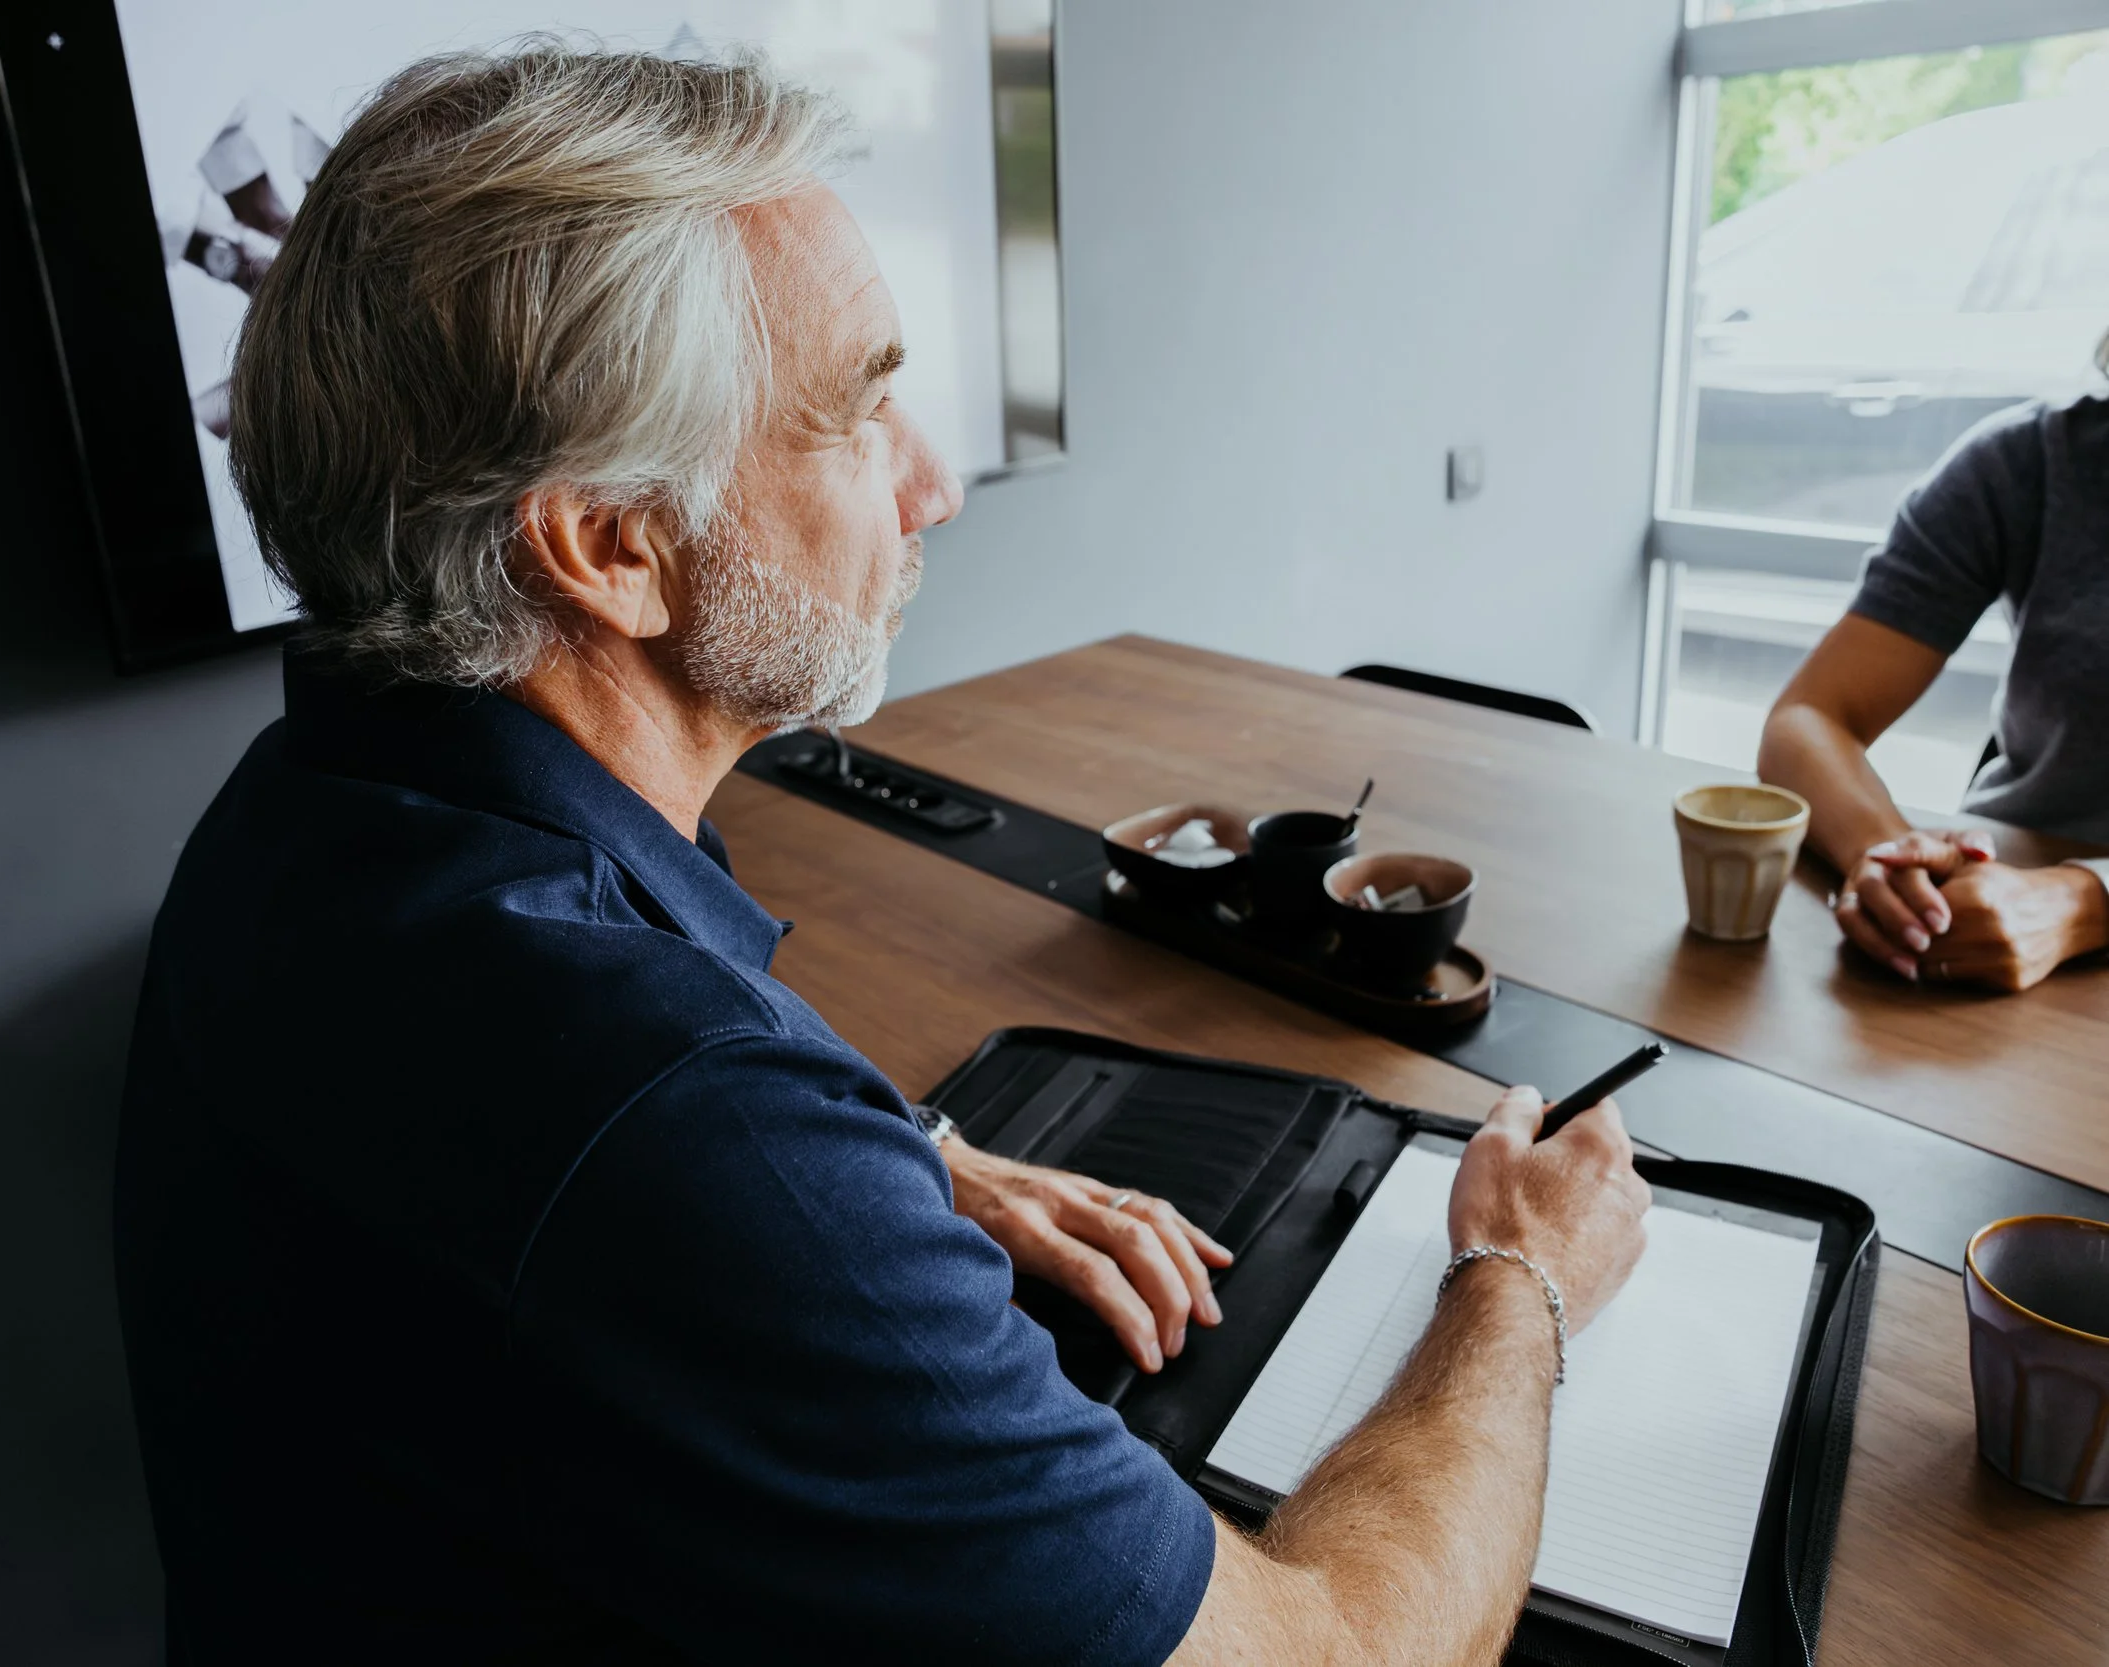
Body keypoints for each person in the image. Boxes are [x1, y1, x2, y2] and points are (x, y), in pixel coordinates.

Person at [112, 46, 1650, 1665]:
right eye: (856, 415)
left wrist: (911, 1164)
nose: (932, 489)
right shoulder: (684, 1132)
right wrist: (1516, 1281)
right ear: (613, 544)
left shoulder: (306, 814)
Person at [1759, 359, 2109, 992]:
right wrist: (1889, 858)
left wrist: (2086, 902)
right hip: (1983, 926)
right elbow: (1809, 719)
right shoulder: (2029, 461)